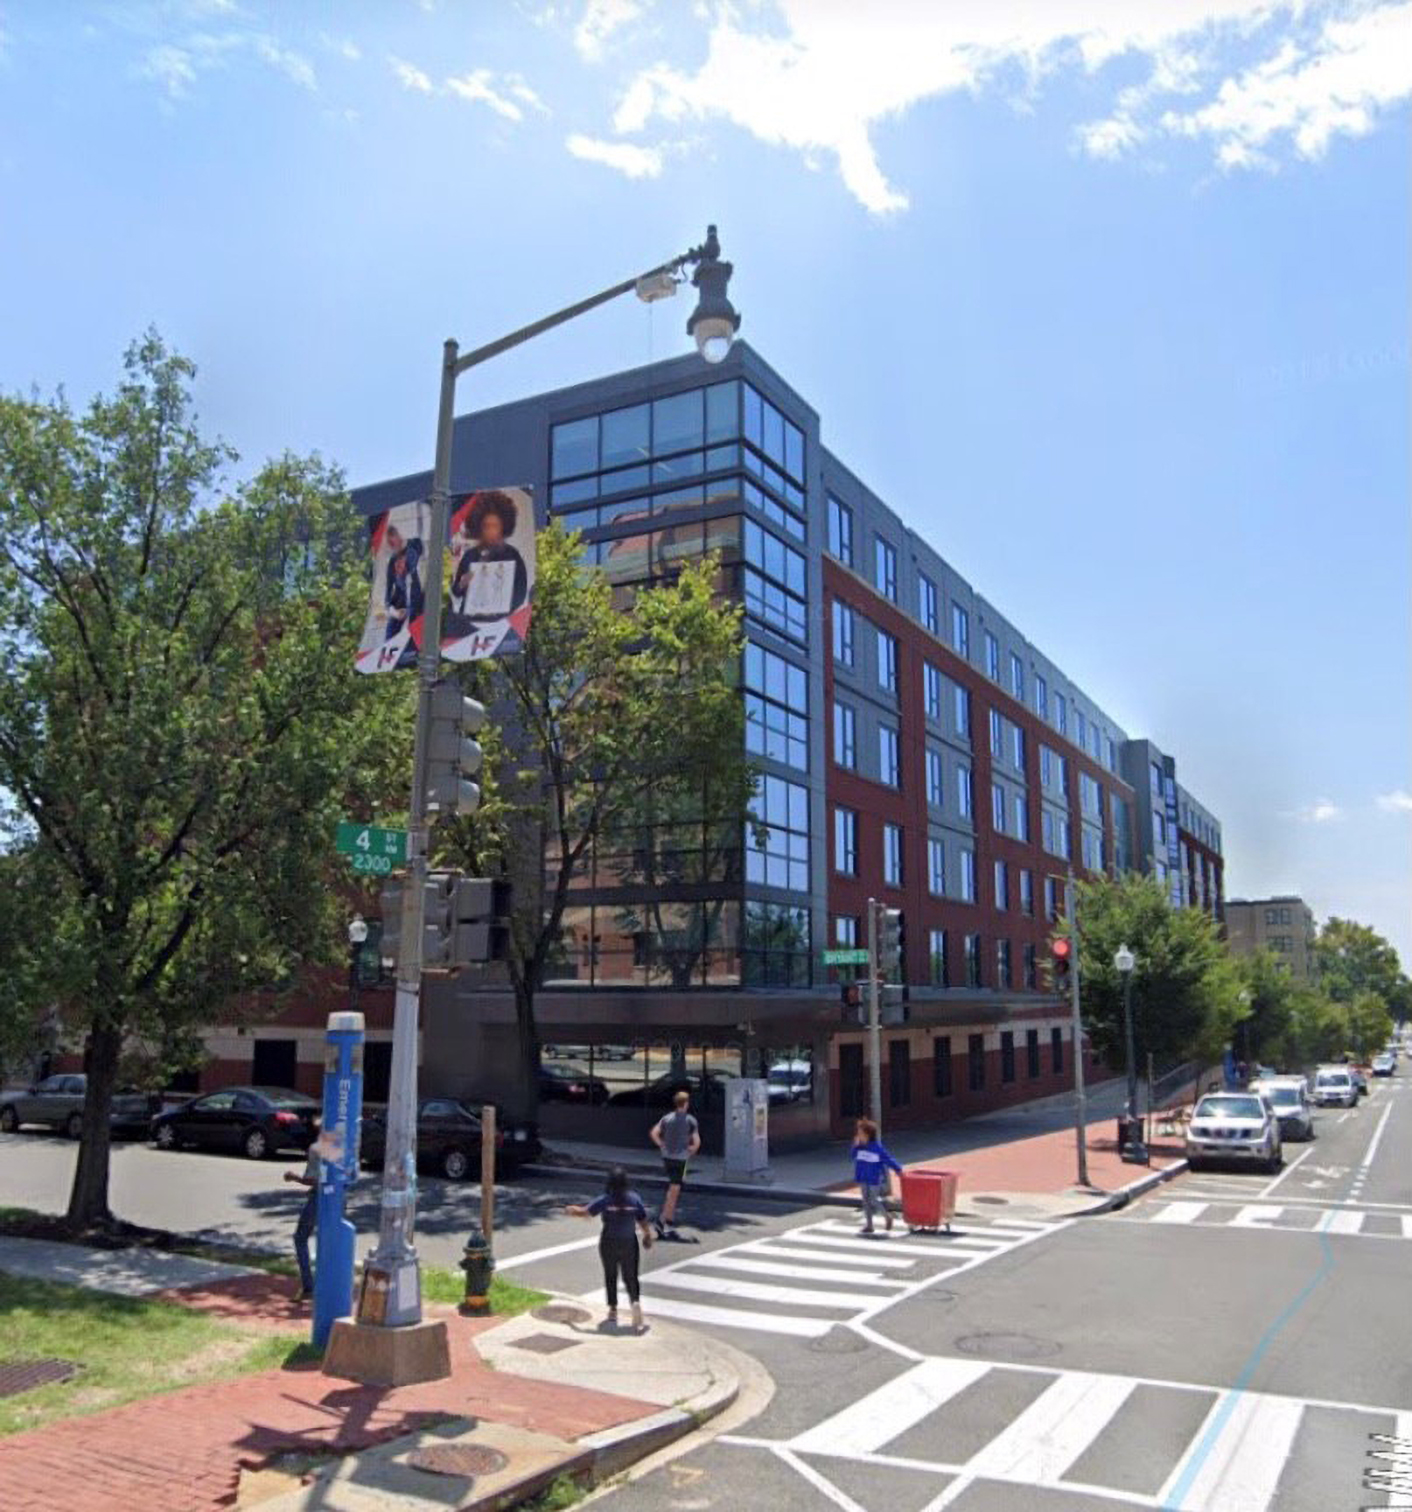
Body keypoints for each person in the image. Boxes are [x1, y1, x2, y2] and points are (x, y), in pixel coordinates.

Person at [567, 1165, 654, 1331]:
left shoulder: (606, 1199)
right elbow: (642, 1219)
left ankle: (613, 1310)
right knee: (631, 1275)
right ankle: (635, 1302)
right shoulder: (634, 1199)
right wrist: (648, 1236)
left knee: (611, 1274)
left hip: (609, 1240)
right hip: (629, 1241)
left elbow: (586, 1212)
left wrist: (571, 1210)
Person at [450, 490, 529, 623]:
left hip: (499, 623)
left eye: (495, 526)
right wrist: (462, 584)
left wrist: (502, 612)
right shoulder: (470, 556)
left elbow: (520, 593)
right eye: (487, 526)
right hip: (469, 623)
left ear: (503, 526)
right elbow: (456, 591)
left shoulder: (512, 555)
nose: (491, 531)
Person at [650, 1089, 700, 1238]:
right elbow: (697, 1142)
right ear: (686, 1104)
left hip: (667, 1157)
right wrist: (690, 1151)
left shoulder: (666, 1118)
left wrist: (662, 1145)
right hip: (681, 1159)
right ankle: (663, 1221)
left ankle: (667, 1221)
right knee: (674, 1191)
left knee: (673, 1189)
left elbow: (654, 1133)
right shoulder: (690, 1120)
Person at [284, 1124, 323, 1300]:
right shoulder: (340, 1149)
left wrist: (293, 1176)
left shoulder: (316, 1148)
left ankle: (309, 1287)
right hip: (337, 1199)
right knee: (328, 1240)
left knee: (300, 1238)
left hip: (318, 1198)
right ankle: (327, 1284)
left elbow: (311, 1180)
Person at [852, 1117, 903, 1235]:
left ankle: (887, 1216)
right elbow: (853, 1156)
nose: (858, 1135)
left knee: (873, 1199)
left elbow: (888, 1158)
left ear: (868, 1135)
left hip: (875, 1177)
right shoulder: (859, 1147)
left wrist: (898, 1169)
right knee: (865, 1201)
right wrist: (855, 1146)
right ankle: (869, 1225)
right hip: (863, 1176)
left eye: (861, 1133)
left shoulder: (876, 1148)